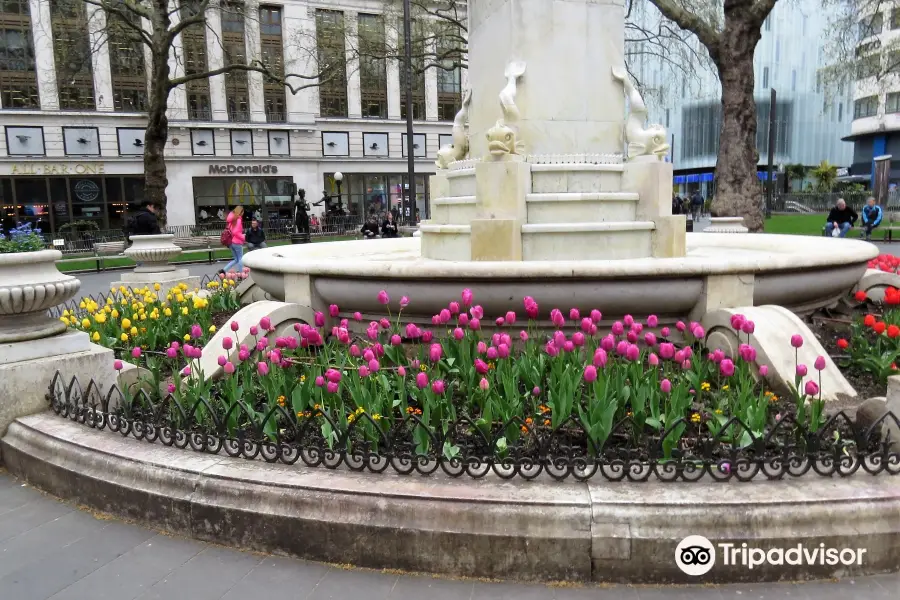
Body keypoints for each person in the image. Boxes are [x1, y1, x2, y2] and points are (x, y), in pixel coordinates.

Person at [221, 206, 245, 274]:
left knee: (236, 259)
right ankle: (241, 274)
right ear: (241, 212)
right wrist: (244, 238)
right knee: (240, 258)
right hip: (237, 242)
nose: (243, 214)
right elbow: (236, 232)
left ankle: (224, 270)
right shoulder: (238, 220)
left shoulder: (231, 221)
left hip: (231, 242)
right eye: (243, 212)